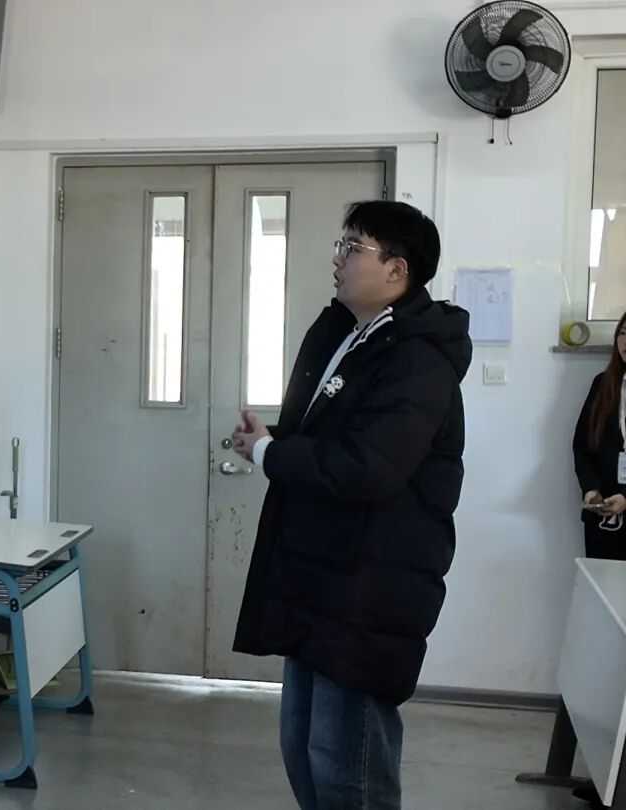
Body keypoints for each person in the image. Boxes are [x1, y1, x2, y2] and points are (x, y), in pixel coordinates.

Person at [229, 201, 472, 810]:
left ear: (397, 270)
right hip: (321, 572)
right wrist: (273, 442)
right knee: (304, 748)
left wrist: (269, 454)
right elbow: (332, 438)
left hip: (368, 585)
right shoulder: (352, 335)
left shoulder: (418, 358)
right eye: (341, 244)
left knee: (347, 767)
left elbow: (369, 467)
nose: (337, 258)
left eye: (353, 247)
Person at [573, 310, 626, 559]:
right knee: (599, 580)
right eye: (622, 334)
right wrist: (591, 490)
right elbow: (583, 445)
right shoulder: (603, 384)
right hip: (604, 513)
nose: (625, 341)